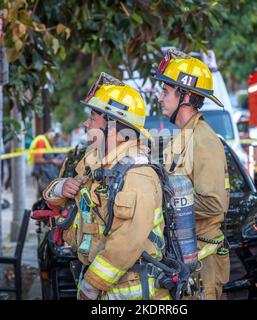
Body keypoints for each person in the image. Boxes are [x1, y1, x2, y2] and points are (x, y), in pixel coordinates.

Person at [42, 73, 170, 300]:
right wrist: (60, 188)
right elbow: (59, 201)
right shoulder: (94, 160)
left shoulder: (138, 174)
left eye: (92, 118)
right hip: (102, 285)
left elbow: (128, 240)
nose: (86, 124)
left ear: (114, 128)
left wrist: (92, 285)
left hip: (132, 291)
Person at [153, 48, 231, 300]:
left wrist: (161, 207)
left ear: (185, 96)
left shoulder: (203, 140)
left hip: (203, 264)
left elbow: (214, 203)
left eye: (165, 91)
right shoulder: (183, 137)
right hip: (186, 258)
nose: (160, 97)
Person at [28, 128, 63, 196]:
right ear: (51, 136)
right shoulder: (41, 141)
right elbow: (37, 159)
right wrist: (52, 161)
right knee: (43, 194)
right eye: (55, 140)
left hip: (45, 174)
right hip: (41, 173)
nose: (55, 142)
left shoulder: (47, 141)